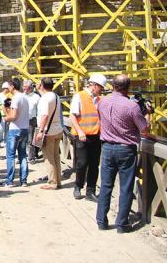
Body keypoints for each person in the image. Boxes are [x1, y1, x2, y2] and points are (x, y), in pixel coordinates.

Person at [96, 74, 150, 233]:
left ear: (112, 85)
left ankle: (101, 221)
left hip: (107, 148)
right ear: (128, 87)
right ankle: (122, 224)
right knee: (126, 187)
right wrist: (147, 113)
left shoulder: (102, 102)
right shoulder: (131, 106)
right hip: (126, 150)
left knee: (106, 186)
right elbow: (145, 130)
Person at [70, 73, 107, 201]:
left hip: (96, 135)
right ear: (94, 85)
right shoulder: (79, 96)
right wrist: (80, 131)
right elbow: (73, 116)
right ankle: (78, 186)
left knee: (94, 164)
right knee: (82, 162)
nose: (102, 90)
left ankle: (90, 191)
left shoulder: (100, 99)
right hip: (82, 136)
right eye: (101, 87)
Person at [33, 78, 64, 190]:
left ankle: (52, 182)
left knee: (49, 158)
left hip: (48, 132)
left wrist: (41, 131)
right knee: (56, 157)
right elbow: (48, 99)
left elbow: (44, 115)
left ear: (41, 85)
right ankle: (58, 181)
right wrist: (39, 90)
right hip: (57, 129)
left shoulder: (44, 99)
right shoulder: (55, 96)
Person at [2, 78, 30, 187]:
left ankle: (10, 181)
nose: (7, 88)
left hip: (15, 129)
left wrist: (5, 118)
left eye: (8, 86)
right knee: (22, 155)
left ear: (12, 86)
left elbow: (13, 116)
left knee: (11, 156)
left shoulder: (15, 98)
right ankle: (23, 180)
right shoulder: (24, 97)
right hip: (24, 128)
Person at [23, 80, 41, 163]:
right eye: (23, 87)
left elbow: (39, 110)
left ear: (30, 88)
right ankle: (22, 157)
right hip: (22, 120)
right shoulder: (22, 96)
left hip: (32, 120)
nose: (23, 89)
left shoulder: (36, 97)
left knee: (31, 139)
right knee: (22, 139)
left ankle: (31, 157)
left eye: (25, 87)